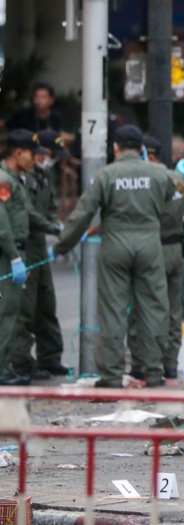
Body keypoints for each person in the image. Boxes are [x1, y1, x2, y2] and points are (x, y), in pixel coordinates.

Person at [54, 124, 176, 388]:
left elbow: (83, 213)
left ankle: (111, 376)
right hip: (149, 245)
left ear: (116, 147)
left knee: (113, 312)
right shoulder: (160, 173)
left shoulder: (106, 175)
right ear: (142, 149)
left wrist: (62, 246)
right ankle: (153, 372)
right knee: (153, 309)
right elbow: (169, 200)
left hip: (115, 245)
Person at [127, 135, 184, 382]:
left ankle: (143, 364)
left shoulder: (146, 181)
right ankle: (170, 364)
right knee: (174, 310)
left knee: (145, 309)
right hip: (176, 249)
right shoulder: (179, 181)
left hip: (152, 249)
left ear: (145, 155)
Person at [0, 130, 61, 385]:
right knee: (8, 313)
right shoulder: (4, 180)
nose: (33, 159)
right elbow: (2, 223)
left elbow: (27, 214)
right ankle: (3, 370)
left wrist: (56, 228)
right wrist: (14, 257)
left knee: (12, 312)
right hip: (8, 251)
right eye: (29, 154)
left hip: (19, 248)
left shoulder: (16, 179)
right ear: (18, 153)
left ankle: (6, 367)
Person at [7, 82, 74, 144]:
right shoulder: (22, 115)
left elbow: (59, 137)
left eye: (43, 97)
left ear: (51, 100)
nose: (39, 101)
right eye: (36, 97)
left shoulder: (56, 117)